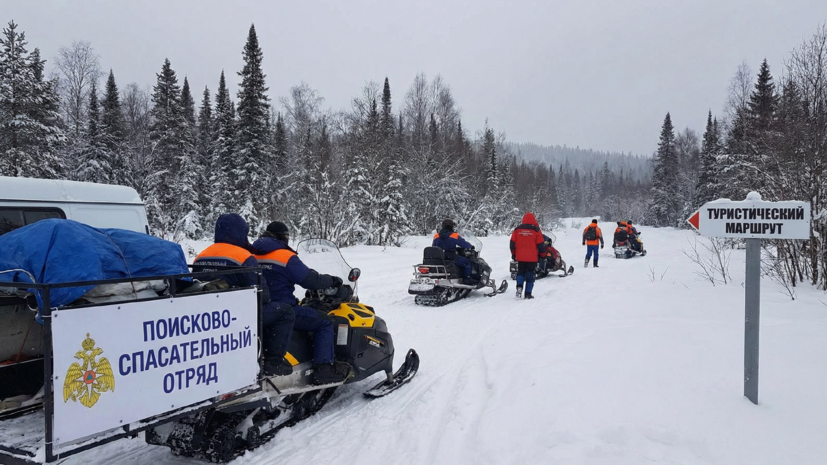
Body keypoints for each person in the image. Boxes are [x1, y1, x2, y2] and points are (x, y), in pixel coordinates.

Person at [193, 213, 295, 377]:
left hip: (208, 316)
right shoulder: (243, 256)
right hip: (236, 315)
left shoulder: (201, 256)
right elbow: (261, 294)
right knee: (284, 311)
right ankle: (273, 362)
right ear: (240, 232)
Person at [252, 221, 348, 385]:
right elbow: (311, 280)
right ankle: (324, 368)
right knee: (325, 323)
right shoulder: (284, 256)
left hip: (259, 310)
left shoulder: (251, 253)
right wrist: (332, 280)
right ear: (283, 238)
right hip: (284, 310)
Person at [510, 212, 545, 299]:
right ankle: (528, 294)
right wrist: (543, 255)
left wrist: (513, 254)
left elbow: (512, 243)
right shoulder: (536, 230)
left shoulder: (517, 229)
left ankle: (519, 286)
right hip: (532, 258)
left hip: (520, 257)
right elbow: (541, 244)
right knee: (530, 275)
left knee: (520, 272)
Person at [432, 219, 474, 284]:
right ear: (451, 226)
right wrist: (470, 246)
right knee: (466, 262)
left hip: (439, 258)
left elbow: (433, 247)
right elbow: (463, 243)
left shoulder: (436, 235)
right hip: (450, 257)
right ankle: (466, 279)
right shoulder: (454, 235)